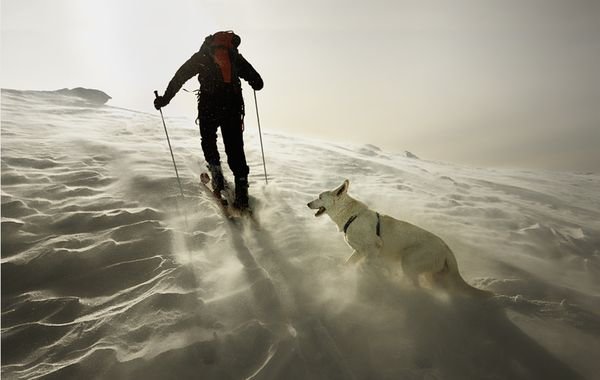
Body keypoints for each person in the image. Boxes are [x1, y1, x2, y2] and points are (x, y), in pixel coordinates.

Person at [154, 31, 263, 209]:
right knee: (235, 147)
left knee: (209, 140)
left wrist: (164, 99)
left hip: (208, 107)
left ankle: (217, 177)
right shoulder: (235, 56)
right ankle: (242, 190)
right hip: (232, 108)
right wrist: (254, 82)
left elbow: (179, 77)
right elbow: (258, 82)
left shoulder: (202, 56)